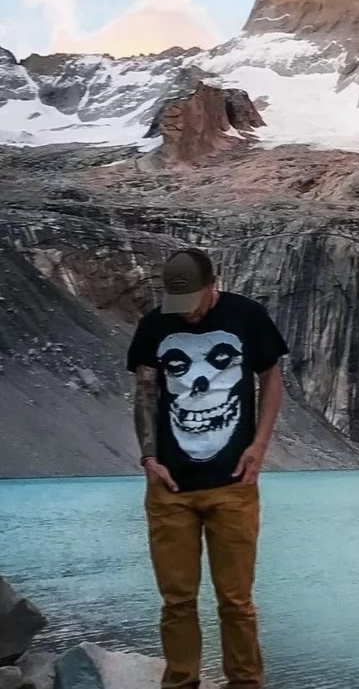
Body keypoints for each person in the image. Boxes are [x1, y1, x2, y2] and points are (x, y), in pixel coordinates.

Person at [126, 247, 289, 689]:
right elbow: (145, 391)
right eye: (178, 304)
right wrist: (149, 457)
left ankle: (245, 683)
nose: (187, 313)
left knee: (236, 601)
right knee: (176, 601)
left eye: (193, 302)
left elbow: (271, 377)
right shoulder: (155, 325)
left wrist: (259, 445)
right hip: (169, 489)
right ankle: (181, 683)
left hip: (233, 485)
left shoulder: (247, 316)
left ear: (212, 284)